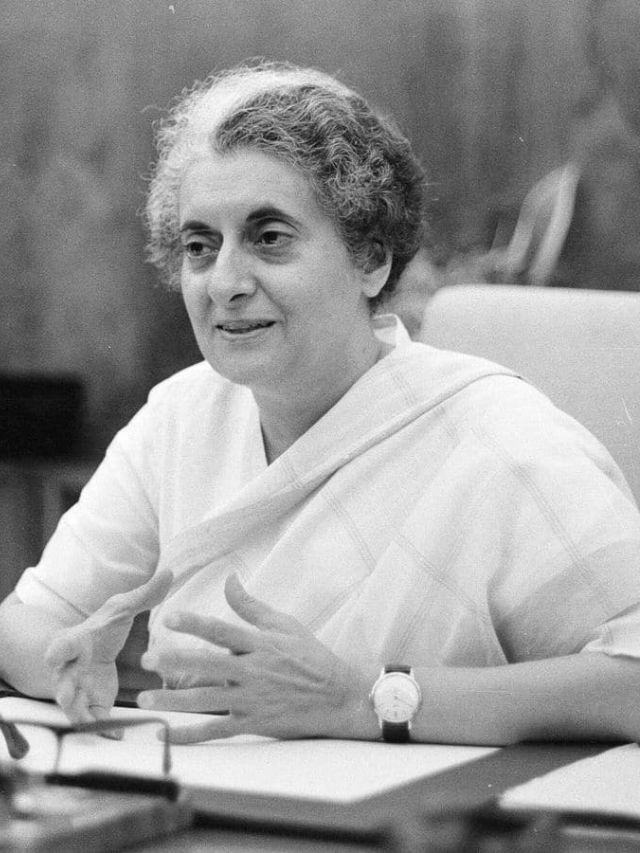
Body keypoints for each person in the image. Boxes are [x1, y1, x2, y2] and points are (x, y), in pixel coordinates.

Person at [0, 60, 639, 747]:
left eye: (269, 237)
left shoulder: (499, 439)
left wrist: (364, 700)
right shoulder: (179, 419)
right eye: (200, 246)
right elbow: (26, 619)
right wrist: (64, 661)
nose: (225, 282)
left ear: (371, 260)